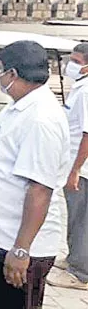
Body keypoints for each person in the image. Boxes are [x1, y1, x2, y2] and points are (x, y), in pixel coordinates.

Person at [0, 40, 70, 308]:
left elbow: (40, 189)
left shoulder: (41, 119)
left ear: (11, 73)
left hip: (20, 245)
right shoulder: (19, 106)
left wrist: (21, 250)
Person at [45, 43, 88, 291]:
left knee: (82, 218)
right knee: (75, 215)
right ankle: (75, 258)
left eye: (75, 60)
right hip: (75, 164)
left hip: (81, 168)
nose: (70, 64)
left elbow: (86, 133)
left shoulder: (86, 91)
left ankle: (80, 273)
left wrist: (75, 170)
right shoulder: (80, 87)